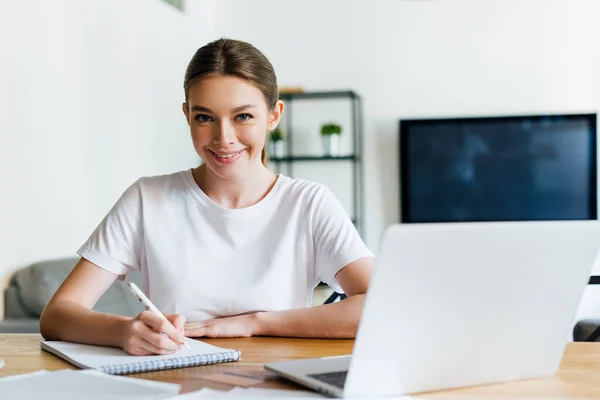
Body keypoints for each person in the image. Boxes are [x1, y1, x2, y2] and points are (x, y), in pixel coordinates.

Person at [39, 38, 374, 356]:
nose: (223, 137)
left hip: (277, 381)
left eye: (242, 116)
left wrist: (254, 323)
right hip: (175, 380)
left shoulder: (308, 204)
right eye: (204, 117)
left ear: (273, 115)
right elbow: (57, 314)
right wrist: (124, 331)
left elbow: (379, 305)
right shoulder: (147, 199)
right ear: (187, 115)